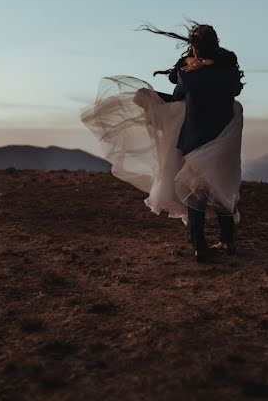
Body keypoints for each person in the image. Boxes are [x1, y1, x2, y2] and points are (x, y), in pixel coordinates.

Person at [80, 21, 245, 262]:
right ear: (216, 45)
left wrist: (156, 95)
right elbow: (235, 85)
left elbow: (177, 95)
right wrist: (210, 63)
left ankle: (199, 245)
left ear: (194, 49)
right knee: (222, 187)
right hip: (225, 137)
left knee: (195, 190)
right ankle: (227, 240)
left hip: (195, 137)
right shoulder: (229, 74)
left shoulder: (188, 77)